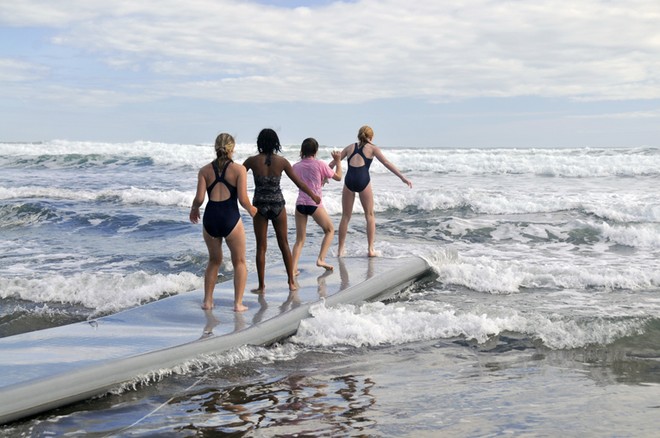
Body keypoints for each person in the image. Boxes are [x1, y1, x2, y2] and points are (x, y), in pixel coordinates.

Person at [243, 128, 321, 293]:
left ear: (260, 143)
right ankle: (291, 282)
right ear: (275, 143)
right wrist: (313, 195)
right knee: (284, 244)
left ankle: (261, 286)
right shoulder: (282, 162)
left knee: (261, 247)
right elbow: (299, 183)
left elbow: (235, 177)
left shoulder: (251, 161)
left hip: (259, 207)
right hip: (278, 205)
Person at [190, 133, 257, 312]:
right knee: (240, 262)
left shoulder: (204, 171)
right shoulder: (239, 170)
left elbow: (199, 198)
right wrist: (251, 210)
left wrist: (194, 209)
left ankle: (208, 302)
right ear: (232, 149)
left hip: (210, 219)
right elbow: (242, 199)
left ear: (216, 148)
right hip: (230, 219)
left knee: (214, 260)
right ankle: (238, 304)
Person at [334, 125, 412, 257]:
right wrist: (402, 177)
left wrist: (322, 178)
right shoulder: (373, 148)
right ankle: (370, 249)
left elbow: (332, 164)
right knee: (369, 216)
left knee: (345, 217)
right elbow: (387, 163)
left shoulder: (349, 147)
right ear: (372, 137)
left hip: (349, 181)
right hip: (363, 181)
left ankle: (340, 250)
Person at [291, 138, 342, 275]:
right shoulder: (320, 164)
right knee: (330, 230)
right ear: (316, 151)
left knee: (300, 240)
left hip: (300, 204)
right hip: (314, 204)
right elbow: (338, 177)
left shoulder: (295, 166)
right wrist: (337, 161)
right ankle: (321, 259)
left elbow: (304, 180)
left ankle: (293, 269)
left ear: (302, 151)